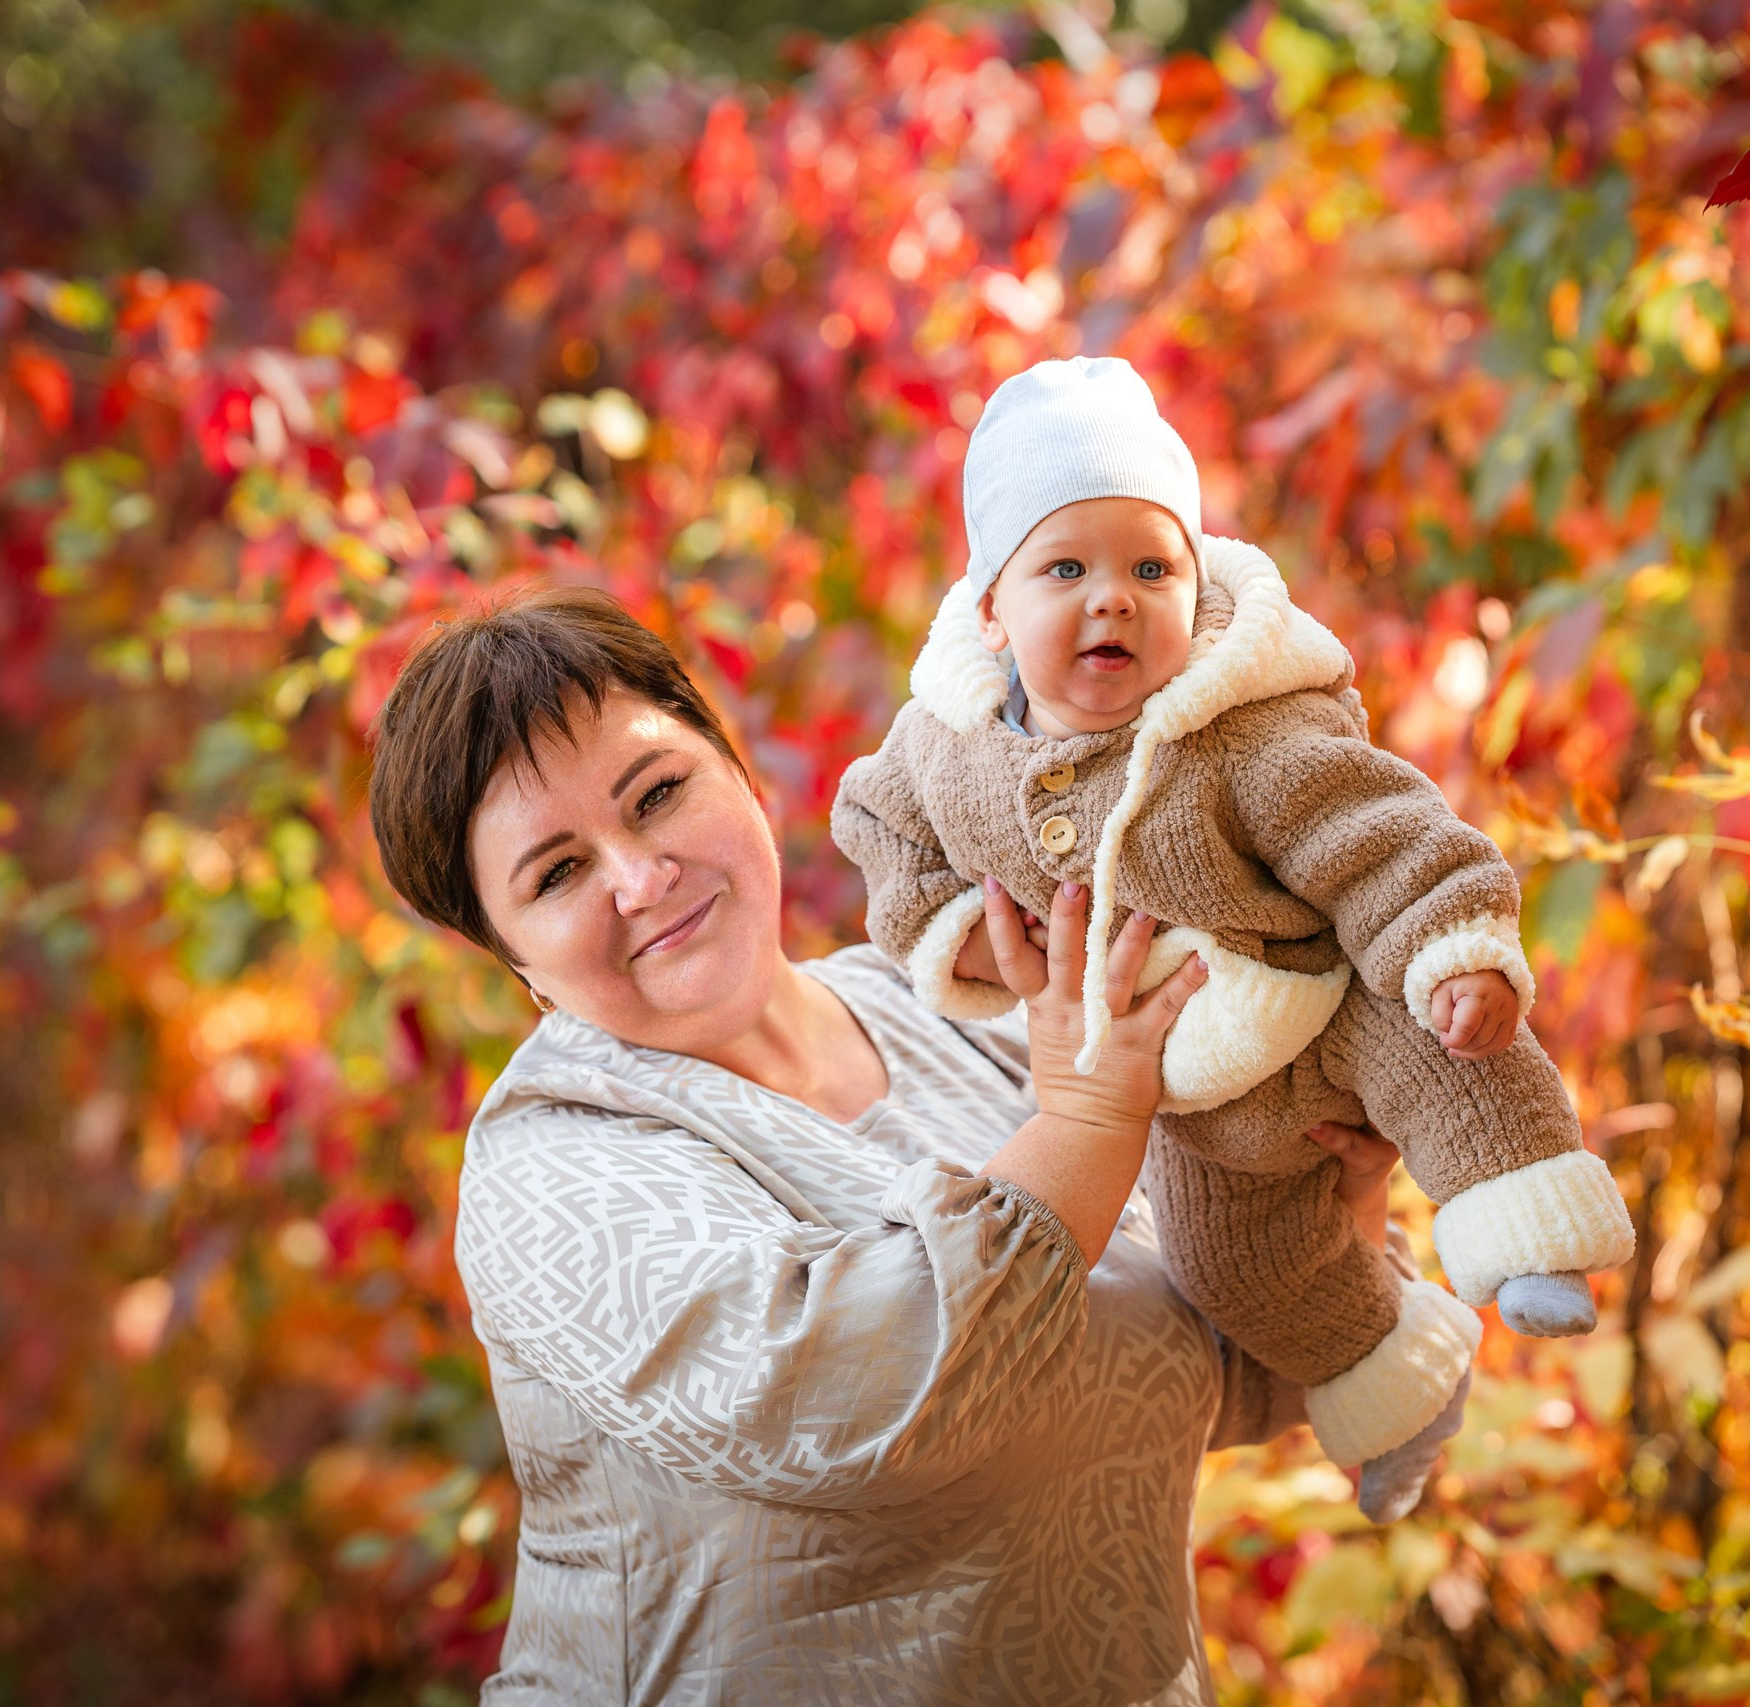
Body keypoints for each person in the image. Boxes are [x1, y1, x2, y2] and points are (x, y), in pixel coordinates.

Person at [369, 587, 1416, 1705]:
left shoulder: (953, 1014)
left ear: (734, 768)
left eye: (659, 793)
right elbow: (842, 1400)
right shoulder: (553, 1167)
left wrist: (1323, 1204)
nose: (640, 877)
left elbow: (1211, 1368)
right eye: (558, 873)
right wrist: (1090, 1126)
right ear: (513, 961)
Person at [830, 357, 1634, 1522]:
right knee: (1231, 1273)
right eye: (1067, 568)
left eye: (1151, 568)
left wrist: (1452, 944)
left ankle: (1527, 1231)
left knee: (1449, 1051)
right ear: (993, 610)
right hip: (1191, 1100)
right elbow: (876, 822)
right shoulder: (946, 746)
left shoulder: (1237, 734)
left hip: (1323, 999)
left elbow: (1379, 830)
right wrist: (950, 930)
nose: (1113, 598)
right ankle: (1398, 1387)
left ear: (1193, 588)